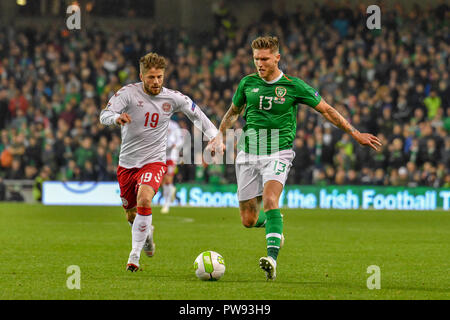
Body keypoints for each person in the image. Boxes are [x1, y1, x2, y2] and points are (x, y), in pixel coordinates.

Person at [210, 36, 381, 281]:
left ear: (277, 58)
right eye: (256, 58)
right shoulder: (247, 83)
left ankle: (271, 258)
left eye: (265, 59)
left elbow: (327, 110)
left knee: (270, 199)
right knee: (248, 220)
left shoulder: (294, 86)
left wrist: (354, 133)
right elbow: (234, 112)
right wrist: (219, 136)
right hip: (248, 153)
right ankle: (274, 226)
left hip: (279, 152)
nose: (260, 63)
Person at [99, 52, 220, 272]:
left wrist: (214, 136)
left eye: (159, 77)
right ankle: (147, 235)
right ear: (141, 76)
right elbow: (104, 114)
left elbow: (197, 115)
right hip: (127, 163)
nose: (156, 82)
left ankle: (134, 257)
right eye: (151, 77)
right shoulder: (127, 93)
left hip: (154, 161)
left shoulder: (172, 98)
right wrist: (115, 118)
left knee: (145, 200)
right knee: (131, 214)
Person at [161, 119, 184, 214]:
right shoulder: (159, 123)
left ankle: (166, 204)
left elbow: (180, 140)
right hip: (160, 156)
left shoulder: (174, 125)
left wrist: (176, 146)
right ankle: (171, 190)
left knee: (168, 179)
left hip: (171, 156)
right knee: (161, 181)